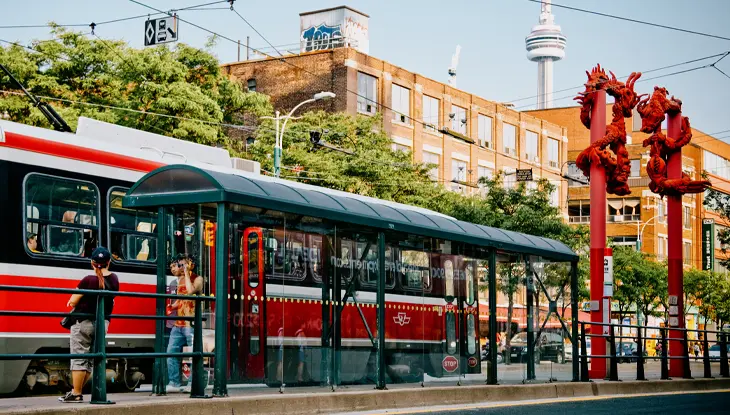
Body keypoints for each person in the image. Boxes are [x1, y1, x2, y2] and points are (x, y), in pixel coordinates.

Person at [59, 247, 119, 403]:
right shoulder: (114, 280)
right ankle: (75, 391)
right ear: (109, 262)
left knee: (79, 358)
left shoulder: (88, 280)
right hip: (102, 324)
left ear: (92, 262)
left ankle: (76, 393)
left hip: (83, 323)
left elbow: (73, 300)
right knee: (91, 359)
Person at [166, 254, 203, 393]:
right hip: (179, 323)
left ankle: (192, 383)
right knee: (171, 351)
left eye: (183, 264)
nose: (181, 267)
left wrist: (187, 273)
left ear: (191, 264)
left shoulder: (198, 279)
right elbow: (181, 299)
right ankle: (174, 382)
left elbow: (190, 291)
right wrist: (172, 307)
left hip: (191, 323)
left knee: (193, 354)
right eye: (180, 265)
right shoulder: (180, 280)